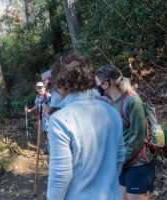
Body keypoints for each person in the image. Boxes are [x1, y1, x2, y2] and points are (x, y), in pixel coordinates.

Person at [47, 54, 125, 200]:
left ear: (60, 84)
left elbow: (60, 176)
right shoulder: (112, 112)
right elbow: (120, 157)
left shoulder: (60, 120)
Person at [96, 65, 155, 200]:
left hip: (138, 164)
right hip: (122, 164)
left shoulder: (132, 101)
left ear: (106, 84)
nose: (96, 88)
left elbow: (138, 138)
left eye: (97, 84)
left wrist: (120, 160)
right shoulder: (111, 102)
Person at [25, 81, 51, 154]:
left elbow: (51, 108)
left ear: (44, 88)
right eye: (38, 88)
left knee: (48, 133)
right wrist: (30, 110)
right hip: (42, 117)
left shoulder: (48, 96)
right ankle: (47, 148)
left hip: (49, 117)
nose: (39, 89)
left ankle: (51, 149)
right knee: (44, 133)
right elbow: (37, 105)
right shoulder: (38, 96)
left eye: (41, 88)